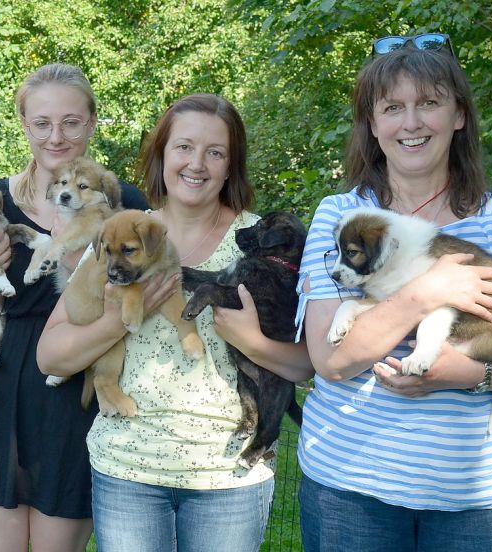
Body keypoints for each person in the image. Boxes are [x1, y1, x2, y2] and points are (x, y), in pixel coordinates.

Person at [36, 93, 314, 552]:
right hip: (128, 470)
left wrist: (251, 341)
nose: (197, 164)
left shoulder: (262, 241)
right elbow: (49, 354)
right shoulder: (120, 231)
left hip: (229, 476)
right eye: (183, 147)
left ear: (231, 166)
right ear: (161, 153)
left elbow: (307, 364)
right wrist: (118, 318)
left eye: (215, 152)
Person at [296, 34, 492, 551]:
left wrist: (470, 375)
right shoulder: (340, 217)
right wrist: (425, 292)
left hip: (475, 502)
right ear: (372, 123)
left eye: (429, 103)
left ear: (458, 115)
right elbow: (332, 359)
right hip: (349, 490)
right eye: (392, 108)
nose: (411, 124)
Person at [0, 63, 149, 551]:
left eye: (71, 122)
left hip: (73, 379)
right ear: (25, 125)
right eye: (42, 123)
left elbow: (143, 292)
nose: (57, 136)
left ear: (91, 123)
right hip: (0, 380)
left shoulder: (121, 201)